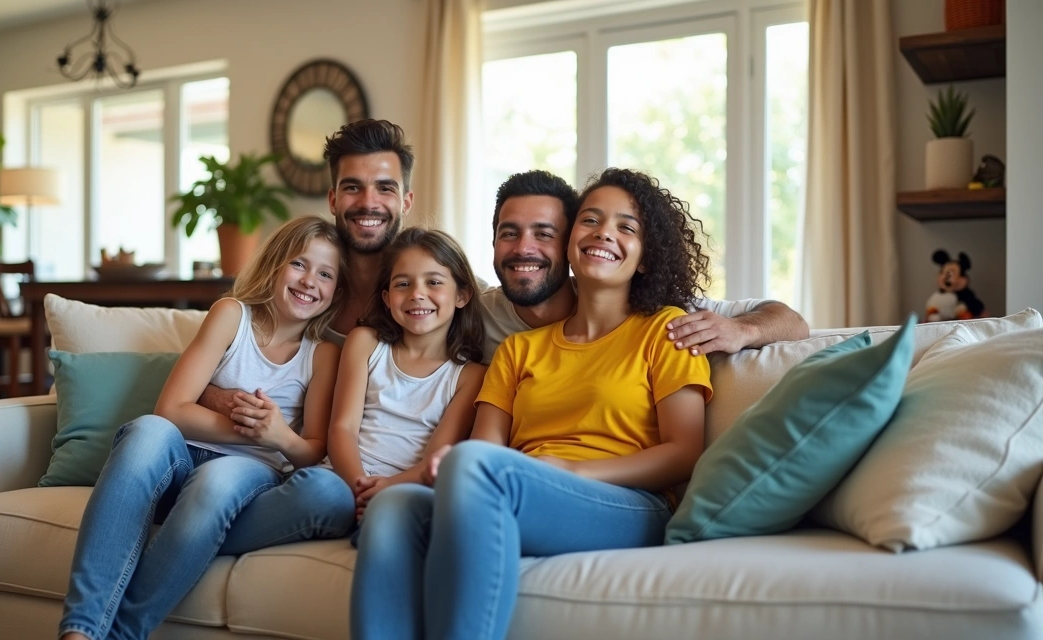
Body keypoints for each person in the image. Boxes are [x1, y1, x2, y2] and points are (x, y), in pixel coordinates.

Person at [351, 168, 715, 640]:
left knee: (474, 468)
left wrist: (570, 471)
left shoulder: (667, 330)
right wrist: (448, 466)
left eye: (626, 227)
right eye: (591, 220)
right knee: (393, 508)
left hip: (629, 504)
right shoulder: (519, 349)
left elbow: (684, 451)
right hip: (521, 491)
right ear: (569, 245)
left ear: (646, 258)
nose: (604, 232)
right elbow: (483, 448)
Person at [59, 217, 350, 640]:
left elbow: (311, 448)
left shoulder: (322, 355)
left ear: (336, 291)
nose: (310, 281)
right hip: (175, 460)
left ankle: (121, 633)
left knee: (217, 481)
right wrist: (247, 427)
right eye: (299, 265)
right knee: (146, 430)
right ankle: (80, 631)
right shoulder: (231, 315)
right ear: (274, 265)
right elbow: (172, 409)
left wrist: (277, 437)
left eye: (325, 274)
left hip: (247, 472)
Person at [198, 119, 415, 417]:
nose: (368, 202)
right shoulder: (299, 288)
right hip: (291, 457)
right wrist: (216, 397)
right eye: (353, 187)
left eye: (384, 188)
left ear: (406, 202)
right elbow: (230, 360)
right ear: (333, 200)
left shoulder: (428, 298)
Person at [481, 170, 808, 363]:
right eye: (509, 233)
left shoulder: (651, 318)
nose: (524, 248)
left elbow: (791, 322)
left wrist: (741, 330)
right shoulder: (473, 317)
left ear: (567, 243)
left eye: (544, 233)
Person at [326, 228, 488, 525]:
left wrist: (386, 489)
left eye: (434, 282)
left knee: (393, 518)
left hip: (404, 491)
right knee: (312, 489)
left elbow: (432, 462)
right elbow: (342, 428)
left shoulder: (471, 377)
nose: (417, 294)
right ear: (387, 297)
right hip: (340, 480)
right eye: (403, 283)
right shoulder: (364, 342)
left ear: (462, 295)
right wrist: (360, 486)